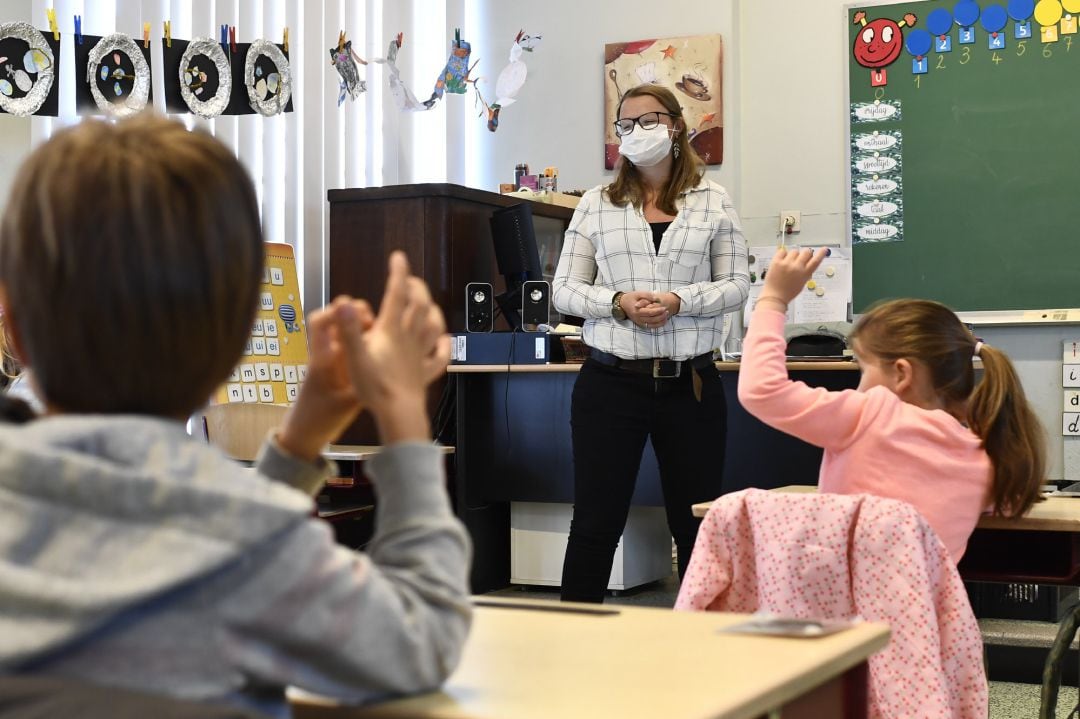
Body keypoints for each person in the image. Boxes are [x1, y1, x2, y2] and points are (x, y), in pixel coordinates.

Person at [0, 116, 471, 716]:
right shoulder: (253, 545)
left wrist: (300, 441)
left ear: (11, 321)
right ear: (237, 346)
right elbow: (420, 640)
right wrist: (404, 412)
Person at [552, 84, 749, 603]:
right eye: (626, 125)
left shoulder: (714, 199)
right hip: (611, 382)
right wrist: (617, 301)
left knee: (698, 527)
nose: (636, 133)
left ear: (677, 125)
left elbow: (736, 285)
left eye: (649, 120)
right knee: (596, 522)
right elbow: (565, 290)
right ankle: (571, 652)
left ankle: (706, 659)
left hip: (692, 385)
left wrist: (680, 300)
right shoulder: (596, 203)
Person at [738, 246, 1046, 562]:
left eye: (863, 368)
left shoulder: (870, 414)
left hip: (840, 608)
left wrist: (773, 299)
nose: (859, 384)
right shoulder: (984, 459)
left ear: (901, 373)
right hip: (921, 611)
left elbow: (761, 390)